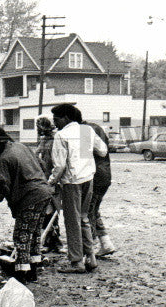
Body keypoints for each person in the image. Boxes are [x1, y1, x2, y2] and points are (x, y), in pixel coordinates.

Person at [0, 125, 53, 284]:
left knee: (21, 236)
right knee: (34, 234)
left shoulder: (2, 160)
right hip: (45, 192)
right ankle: (33, 270)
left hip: (30, 197)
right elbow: (42, 165)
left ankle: (22, 273)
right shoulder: (21, 146)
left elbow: (2, 188)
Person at [47, 103, 108, 274]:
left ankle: (76, 263)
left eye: (56, 119)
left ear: (66, 117)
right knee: (84, 219)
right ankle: (91, 258)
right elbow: (102, 151)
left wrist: (51, 182)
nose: (55, 123)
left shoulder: (62, 135)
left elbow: (59, 166)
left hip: (71, 183)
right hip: (88, 178)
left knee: (72, 223)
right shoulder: (85, 130)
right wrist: (85, 153)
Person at [83, 117, 117, 258]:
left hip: (94, 176)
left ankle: (89, 249)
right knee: (93, 210)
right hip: (105, 175)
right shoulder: (98, 131)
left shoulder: (85, 132)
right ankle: (105, 243)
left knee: (88, 212)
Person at [35, 116, 62, 253]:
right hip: (45, 179)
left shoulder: (54, 140)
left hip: (53, 179)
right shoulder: (44, 140)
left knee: (52, 210)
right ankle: (50, 240)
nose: (38, 130)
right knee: (47, 210)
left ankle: (54, 241)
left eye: (40, 127)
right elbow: (37, 156)